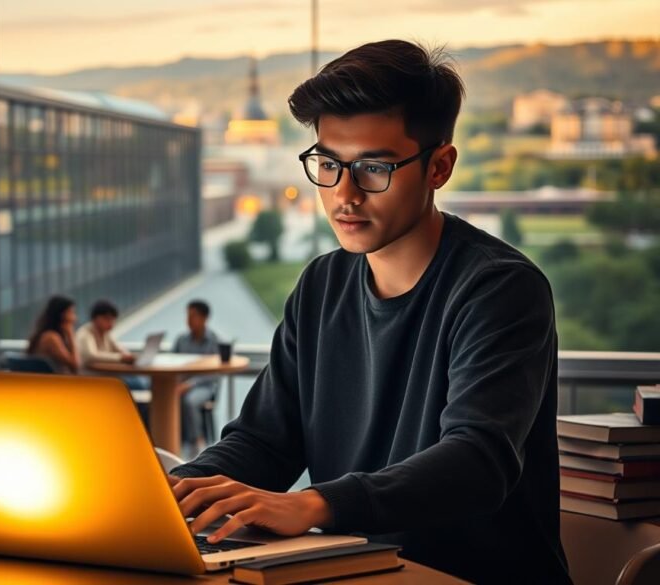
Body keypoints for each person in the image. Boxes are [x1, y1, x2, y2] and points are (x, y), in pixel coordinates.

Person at [169, 40, 570, 585]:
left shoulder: (500, 290)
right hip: (351, 573)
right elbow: (264, 441)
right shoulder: (321, 285)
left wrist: (312, 506)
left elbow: (478, 462)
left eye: (374, 167)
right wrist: (169, 494)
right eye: (329, 164)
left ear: (439, 167)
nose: (345, 194)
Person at [173, 300, 221, 455]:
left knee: (190, 401)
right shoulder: (181, 340)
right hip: (180, 385)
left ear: (204, 318)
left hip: (204, 386)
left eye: (193, 316)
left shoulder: (214, 341)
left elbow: (213, 372)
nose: (188, 320)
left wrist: (190, 384)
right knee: (164, 398)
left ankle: (197, 441)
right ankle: (171, 442)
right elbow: (171, 363)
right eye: (187, 316)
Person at [75, 300, 136, 369]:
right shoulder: (84, 334)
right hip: (92, 376)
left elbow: (118, 348)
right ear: (95, 318)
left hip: (107, 373)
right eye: (107, 319)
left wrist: (127, 355)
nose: (111, 323)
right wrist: (120, 358)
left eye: (113, 319)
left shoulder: (105, 333)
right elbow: (91, 356)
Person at [27, 295, 79, 374]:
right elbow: (75, 365)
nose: (75, 318)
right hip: (52, 383)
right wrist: (70, 334)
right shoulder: (51, 338)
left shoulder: (49, 334)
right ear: (61, 315)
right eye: (71, 312)